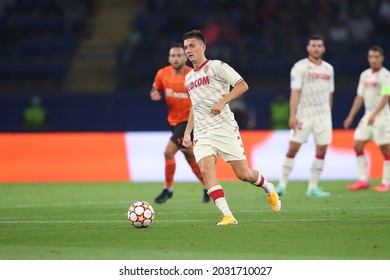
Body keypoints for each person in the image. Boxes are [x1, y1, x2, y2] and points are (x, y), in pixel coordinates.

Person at [182, 29, 281, 226]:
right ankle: (228, 215)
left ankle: (268, 187)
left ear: (203, 46)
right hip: (202, 132)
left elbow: (242, 85)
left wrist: (222, 102)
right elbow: (195, 106)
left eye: (192, 46)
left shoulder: (217, 66)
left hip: (224, 128)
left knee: (244, 174)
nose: (188, 50)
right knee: (205, 169)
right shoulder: (188, 78)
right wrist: (187, 132)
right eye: (186, 47)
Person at [275, 34, 334, 197]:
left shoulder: (329, 69)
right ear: (308, 48)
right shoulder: (299, 67)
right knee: (293, 148)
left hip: (323, 115)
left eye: (319, 45)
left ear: (323, 48)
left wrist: (328, 112)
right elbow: (295, 92)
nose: (316, 48)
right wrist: (292, 115)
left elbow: (330, 93)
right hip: (304, 113)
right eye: (313, 45)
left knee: (322, 149)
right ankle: (281, 185)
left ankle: (312, 187)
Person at [150, 43, 209, 204]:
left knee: (168, 152)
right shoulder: (162, 74)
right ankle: (207, 187)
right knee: (189, 156)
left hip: (189, 121)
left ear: (185, 57)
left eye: (179, 55)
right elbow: (156, 89)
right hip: (174, 122)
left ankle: (167, 189)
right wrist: (154, 93)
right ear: (169, 58)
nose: (176, 59)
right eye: (173, 56)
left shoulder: (193, 75)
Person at [343, 45, 390, 192]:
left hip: (382, 115)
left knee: (385, 149)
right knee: (357, 144)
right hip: (368, 114)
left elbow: (386, 96)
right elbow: (360, 97)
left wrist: (375, 114)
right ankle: (363, 179)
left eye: (376, 57)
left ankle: (386, 182)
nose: (373, 60)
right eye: (371, 57)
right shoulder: (364, 75)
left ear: (382, 58)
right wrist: (351, 116)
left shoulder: (386, 75)